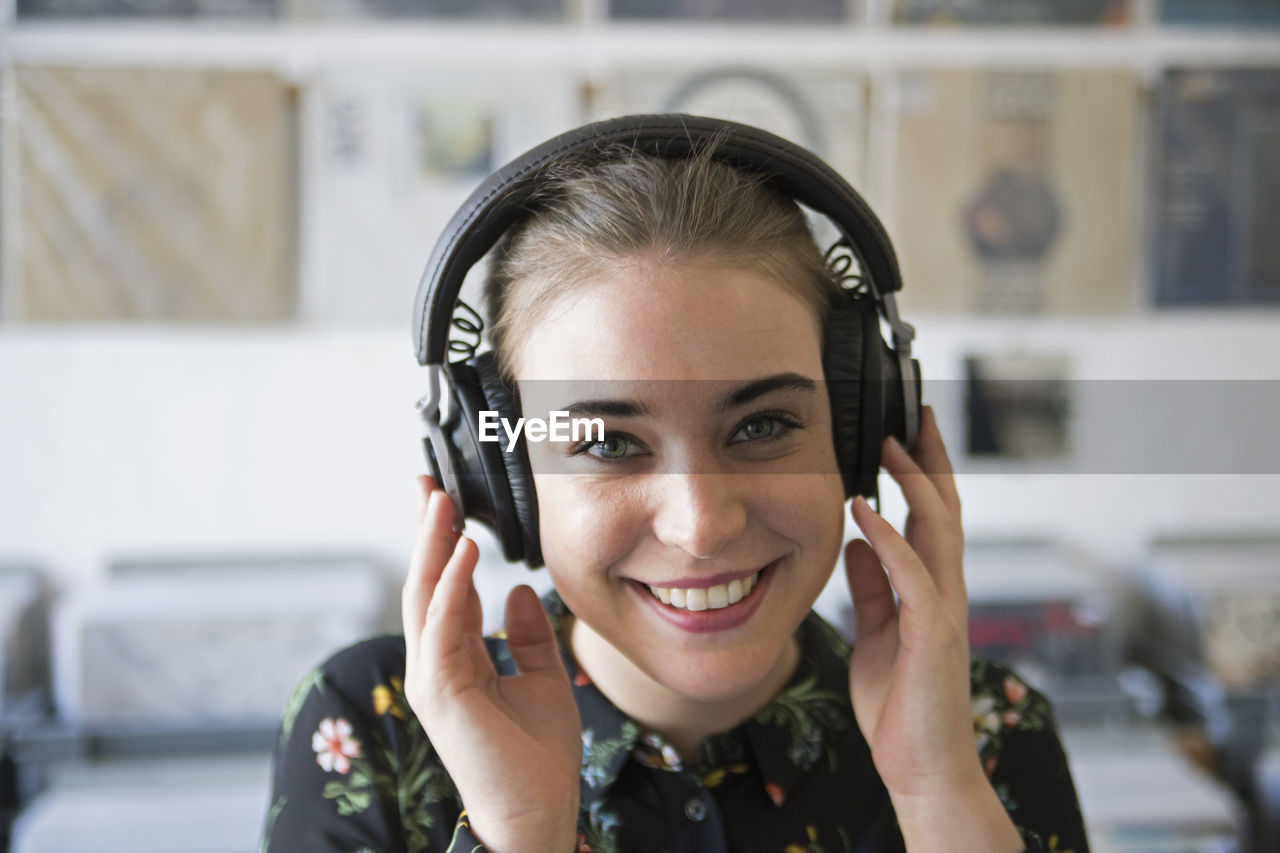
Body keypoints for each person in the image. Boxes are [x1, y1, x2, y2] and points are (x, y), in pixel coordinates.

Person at [260, 120, 1089, 853]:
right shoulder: (372, 727)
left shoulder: (984, 731)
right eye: (607, 441)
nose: (701, 525)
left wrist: (938, 792)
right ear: (497, 477)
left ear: (859, 431)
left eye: (762, 426)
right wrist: (523, 838)